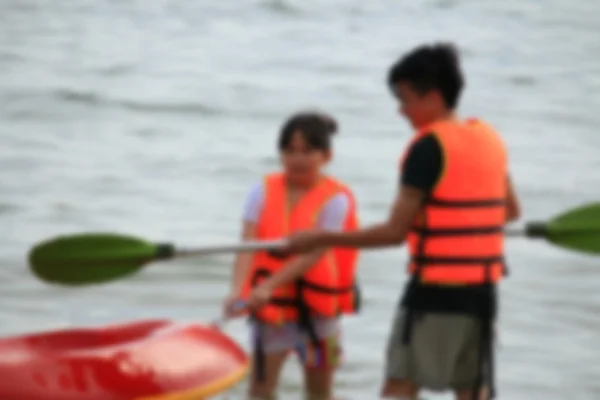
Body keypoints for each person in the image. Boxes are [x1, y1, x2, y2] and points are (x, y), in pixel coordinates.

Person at [249, 43, 521, 400]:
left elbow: (394, 233)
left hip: (434, 293)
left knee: (398, 387)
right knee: (472, 389)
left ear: (433, 96)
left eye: (405, 99)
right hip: (483, 291)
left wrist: (321, 238)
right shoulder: (490, 139)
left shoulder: (428, 147)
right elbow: (510, 211)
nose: (400, 110)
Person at [224, 111, 362, 400]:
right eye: (289, 151)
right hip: (270, 316)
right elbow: (246, 245)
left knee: (320, 394)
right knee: (260, 392)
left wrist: (268, 286)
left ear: (326, 156)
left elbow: (314, 253)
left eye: (307, 151)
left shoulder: (336, 198)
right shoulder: (261, 191)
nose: (297, 159)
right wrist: (236, 291)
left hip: (319, 319)